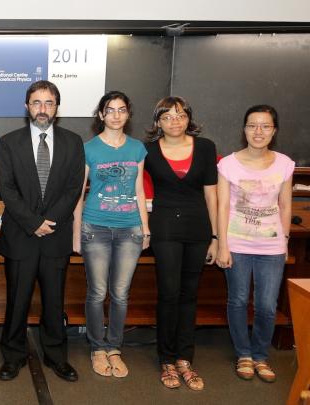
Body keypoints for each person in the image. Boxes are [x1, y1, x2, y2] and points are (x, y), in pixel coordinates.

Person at [0, 80, 85, 382]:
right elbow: (6, 189)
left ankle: (57, 356)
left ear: (57, 108)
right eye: (36, 102)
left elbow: (74, 187)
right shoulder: (9, 142)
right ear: (26, 107)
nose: (42, 109)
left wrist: (49, 220)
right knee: (17, 301)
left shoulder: (74, 142)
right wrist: (33, 222)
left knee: (54, 302)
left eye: (49, 103)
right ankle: (12, 355)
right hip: (21, 235)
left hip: (56, 236)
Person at [72, 91, 150, 378]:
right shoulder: (88, 148)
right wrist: (76, 232)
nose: (116, 115)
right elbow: (79, 194)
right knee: (97, 292)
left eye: (121, 110)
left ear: (128, 114)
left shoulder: (137, 148)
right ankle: (97, 348)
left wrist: (145, 228)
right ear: (101, 115)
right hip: (95, 228)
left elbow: (140, 191)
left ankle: (114, 347)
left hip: (130, 228)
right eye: (110, 110)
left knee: (120, 293)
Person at [144, 96, 218, 391]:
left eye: (180, 115)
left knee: (190, 295)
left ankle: (185, 358)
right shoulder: (147, 150)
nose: (175, 121)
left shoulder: (206, 148)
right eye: (167, 116)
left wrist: (215, 237)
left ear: (189, 118)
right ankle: (166, 359)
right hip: (164, 229)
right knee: (169, 293)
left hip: (198, 228)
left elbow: (212, 194)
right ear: (157, 122)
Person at [216, 105, 294, 383]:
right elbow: (222, 206)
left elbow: (285, 204)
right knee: (237, 300)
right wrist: (222, 245)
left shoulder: (285, 163)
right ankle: (244, 354)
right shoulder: (228, 164)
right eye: (252, 125)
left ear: (274, 130)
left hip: (271, 246)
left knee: (267, 304)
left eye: (265, 126)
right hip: (237, 243)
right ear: (244, 129)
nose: (258, 131)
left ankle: (261, 354)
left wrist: (284, 241)